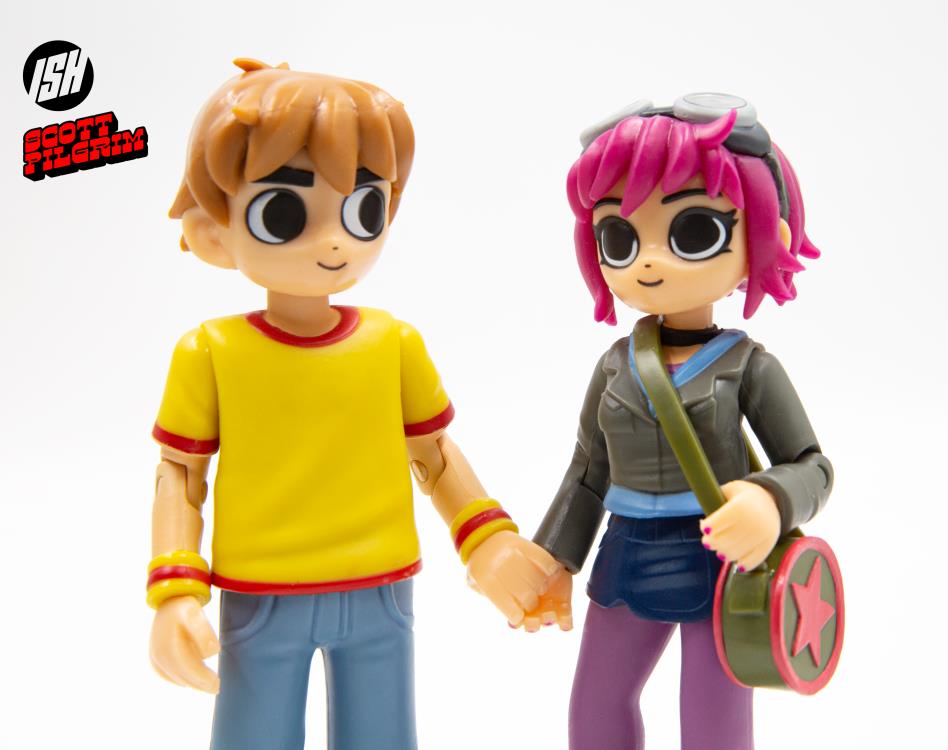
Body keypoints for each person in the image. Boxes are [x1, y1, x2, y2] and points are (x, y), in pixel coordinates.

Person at [145, 58, 559, 750]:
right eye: (283, 213)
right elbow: (179, 478)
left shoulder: (392, 343)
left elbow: (435, 456)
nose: (334, 240)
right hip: (261, 595)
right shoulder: (210, 352)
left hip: (380, 594)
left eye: (363, 208)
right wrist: (175, 590)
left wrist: (487, 540)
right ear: (213, 229)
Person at [522, 95, 834, 749]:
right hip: (626, 553)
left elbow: (812, 466)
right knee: (596, 704)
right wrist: (555, 558)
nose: (648, 260)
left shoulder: (748, 366)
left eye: (695, 231)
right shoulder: (616, 365)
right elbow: (587, 471)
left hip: (720, 558)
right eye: (619, 236)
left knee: (713, 715)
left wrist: (768, 501)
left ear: (766, 234)